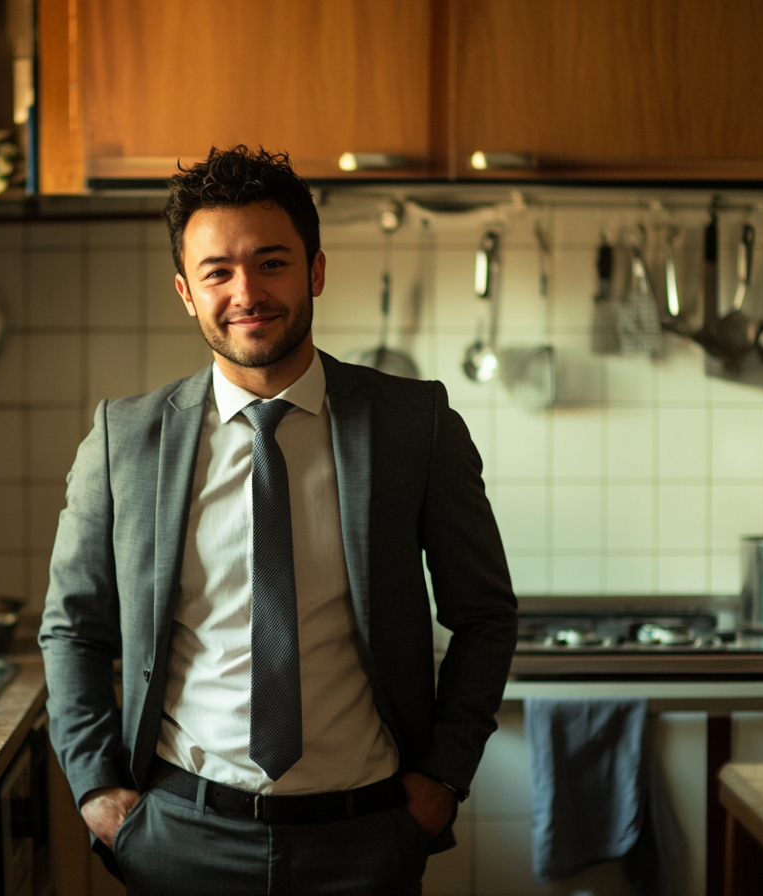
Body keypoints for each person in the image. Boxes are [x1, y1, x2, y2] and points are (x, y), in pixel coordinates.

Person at [40, 145, 517, 896]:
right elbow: (73, 627)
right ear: (185, 292)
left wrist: (442, 780)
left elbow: (485, 614)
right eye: (217, 272)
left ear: (315, 271)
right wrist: (98, 791)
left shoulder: (412, 425)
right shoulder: (123, 439)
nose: (247, 292)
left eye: (272, 263)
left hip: (367, 839)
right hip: (178, 839)